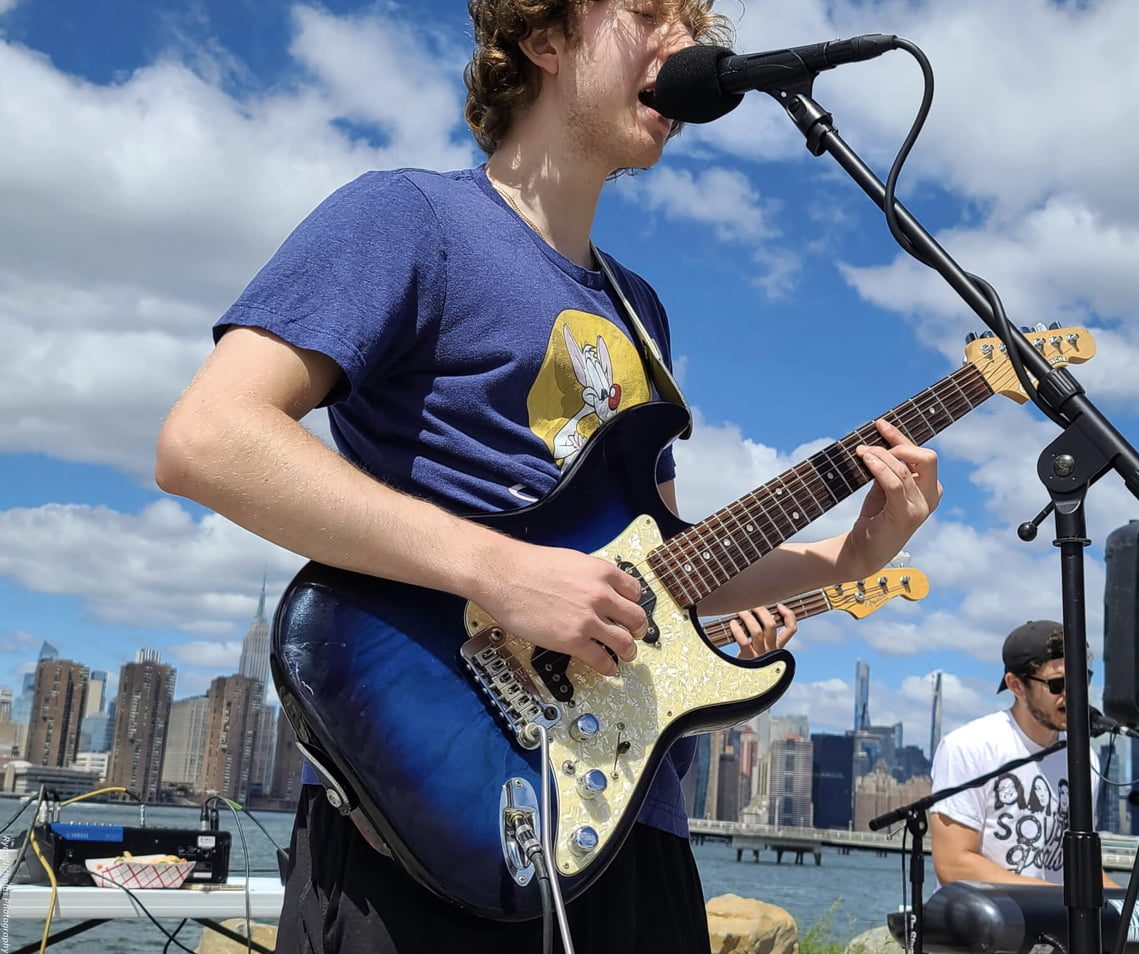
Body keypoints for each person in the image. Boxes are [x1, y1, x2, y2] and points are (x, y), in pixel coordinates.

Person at [154, 1, 941, 951]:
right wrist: (502, 573)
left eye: (695, 27)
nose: (686, 48)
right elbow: (208, 437)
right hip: (432, 806)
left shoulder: (638, 306)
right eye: (649, 13)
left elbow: (669, 571)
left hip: (626, 814)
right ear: (544, 39)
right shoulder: (409, 216)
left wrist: (849, 554)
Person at [930, 620, 1115, 887]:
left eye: (1081, 679)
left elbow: (1082, 870)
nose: (1072, 693)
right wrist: (1058, 897)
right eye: (1057, 684)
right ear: (1016, 685)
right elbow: (954, 864)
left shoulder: (1085, 759)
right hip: (984, 923)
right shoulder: (969, 746)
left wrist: (1133, 912)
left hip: (1056, 922)